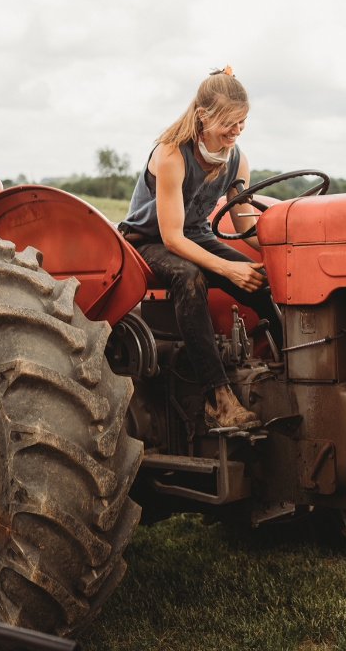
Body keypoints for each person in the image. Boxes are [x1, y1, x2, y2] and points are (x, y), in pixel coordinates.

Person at [119, 67, 274, 430]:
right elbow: (172, 238)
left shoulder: (236, 159)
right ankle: (218, 398)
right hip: (148, 241)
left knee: (262, 282)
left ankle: (291, 370)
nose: (237, 131)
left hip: (197, 236)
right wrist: (227, 268)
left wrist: (284, 245)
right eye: (230, 123)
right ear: (203, 116)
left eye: (243, 122)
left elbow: (246, 228)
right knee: (190, 279)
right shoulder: (171, 155)